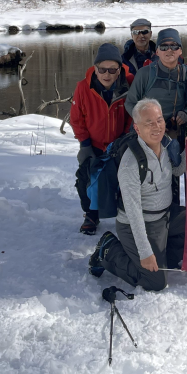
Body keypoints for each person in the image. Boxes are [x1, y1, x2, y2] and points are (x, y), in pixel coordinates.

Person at [89, 99, 186, 292]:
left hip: (165, 216)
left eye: (159, 120)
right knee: (156, 282)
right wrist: (145, 252)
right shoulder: (131, 163)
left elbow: (175, 171)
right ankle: (108, 250)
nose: (157, 127)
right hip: (138, 224)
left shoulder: (166, 145)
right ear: (137, 128)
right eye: (149, 123)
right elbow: (133, 213)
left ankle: (165, 256)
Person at [70, 43, 134, 235]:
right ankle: (91, 213)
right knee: (88, 177)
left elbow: (131, 115)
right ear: (95, 69)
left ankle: (126, 213)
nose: (107, 74)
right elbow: (76, 118)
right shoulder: (83, 87)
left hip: (119, 142)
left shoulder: (127, 85)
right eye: (102, 69)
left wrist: (124, 139)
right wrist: (85, 143)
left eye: (112, 69)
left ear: (119, 70)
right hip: (93, 142)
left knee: (122, 177)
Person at [124, 28, 187, 143]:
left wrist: (186, 113)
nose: (169, 50)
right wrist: (146, 122)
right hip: (147, 133)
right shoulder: (145, 74)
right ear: (157, 52)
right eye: (164, 46)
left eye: (174, 46)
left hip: (175, 133)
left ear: (180, 51)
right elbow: (130, 103)